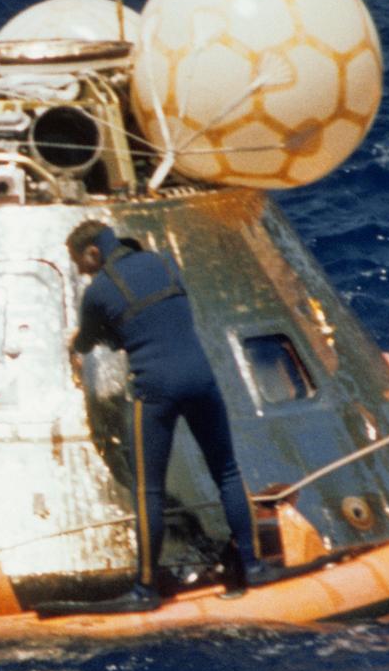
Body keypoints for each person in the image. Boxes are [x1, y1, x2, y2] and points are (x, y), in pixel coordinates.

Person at [61, 219, 295, 614]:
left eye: (80, 262)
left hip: (156, 389)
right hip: (203, 379)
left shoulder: (99, 290)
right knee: (226, 471)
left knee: (147, 490)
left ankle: (145, 589)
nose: (82, 271)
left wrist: (76, 344)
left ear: (92, 253)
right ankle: (254, 567)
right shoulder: (164, 263)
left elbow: (91, 339)